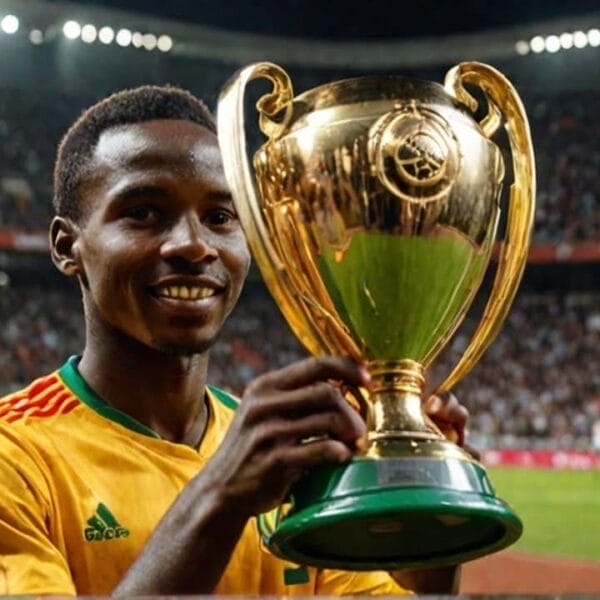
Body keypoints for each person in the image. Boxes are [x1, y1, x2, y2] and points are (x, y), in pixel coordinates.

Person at [0, 85, 468, 595]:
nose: (194, 244)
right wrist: (222, 496)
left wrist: (432, 548)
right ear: (67, 246)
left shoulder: (283, 453)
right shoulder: (15, 455)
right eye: (143, 213)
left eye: (221, 217)